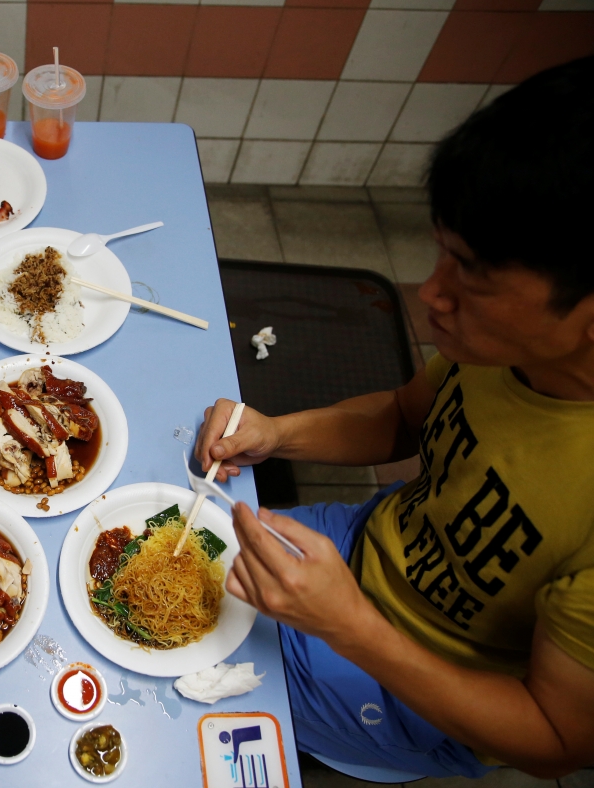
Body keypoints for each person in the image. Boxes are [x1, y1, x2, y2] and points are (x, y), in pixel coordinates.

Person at [195, 55, 594, 778]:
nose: (429, 296)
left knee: (159, 692)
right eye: (440, 254)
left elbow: (557, 742)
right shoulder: (510, 353)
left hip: (409, 684)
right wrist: (276, 431)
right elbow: (401, 420)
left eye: (470, 274)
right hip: (358, 550)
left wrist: (349, 624)